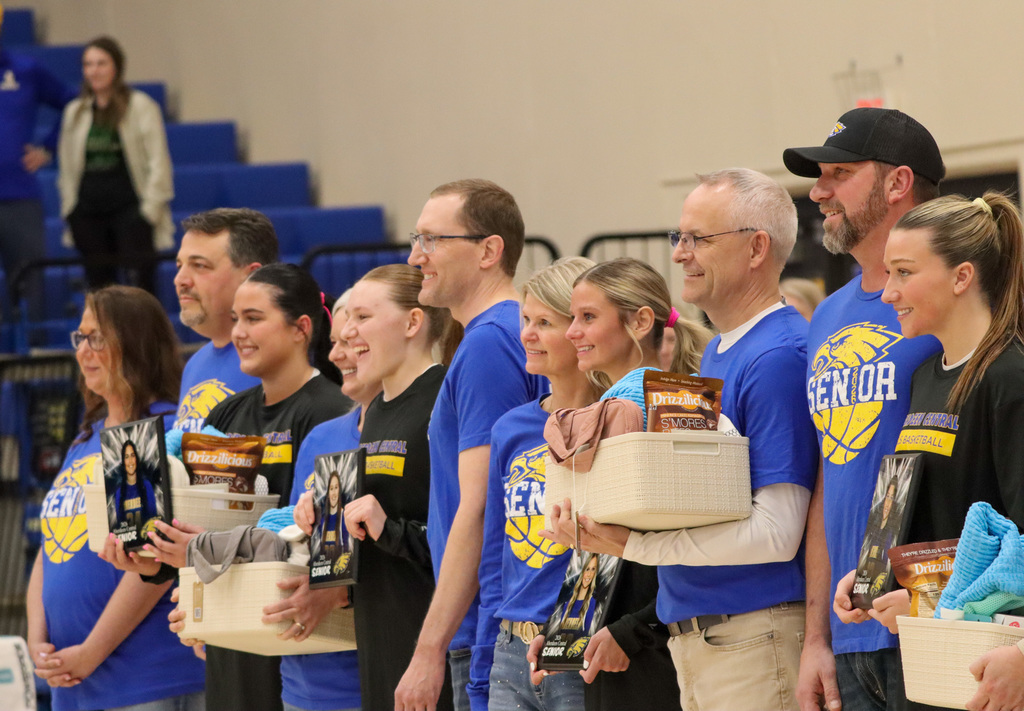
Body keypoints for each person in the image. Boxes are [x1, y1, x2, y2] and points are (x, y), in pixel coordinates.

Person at [554, 169, 818, 711]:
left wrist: (633, 543)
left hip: (753, 634)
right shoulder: (725, 351)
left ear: (756, 248)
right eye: (679, 237)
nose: (679, 254)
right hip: (706, 637)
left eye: (698, 238)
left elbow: (776, 534)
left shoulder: (777, 356)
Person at [831, 193, 1024, 711]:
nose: (889, 292)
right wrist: (877, 578)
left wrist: (924, 603)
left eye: (904, 272)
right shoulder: (924, 377)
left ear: (962, 277)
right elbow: (935, 516)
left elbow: (1016, 542)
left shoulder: (1010, 376)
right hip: (930, 652)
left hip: (991, 661)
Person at [783, 107, 945, 711]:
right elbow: (833, 472)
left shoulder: (948, 300)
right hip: (849, 633)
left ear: (897, 182)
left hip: (928, 618)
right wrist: (816, 638)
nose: (818, 191)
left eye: (838, 173)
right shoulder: (826, 313)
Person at [537, 256, 710, 711]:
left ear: (640, 321)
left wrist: (634, 630)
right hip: (604, 644)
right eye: (572, 318)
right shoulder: (605, 412)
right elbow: (599, 557)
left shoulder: (679, 404)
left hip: (658, 651)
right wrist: (563, 632)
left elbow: (699, 542)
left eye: (588, 318)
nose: (572, 331)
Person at [400, 179, 547, 711]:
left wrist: (429, 647)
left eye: (433, 240)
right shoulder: (500, 335)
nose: (417, 256)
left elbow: (481, 503)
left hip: (488, 621)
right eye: (417, 239)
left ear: (489, 250)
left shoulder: (489, 343)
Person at [25, 285, 204, 711]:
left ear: (135, 344)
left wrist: (91, 651)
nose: (84, 350)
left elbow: (153, 562)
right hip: (76, 680)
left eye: (98, 339)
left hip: (145, 679)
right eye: (80, 338)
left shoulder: (160, 429)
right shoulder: (86, 437)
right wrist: (36, 637)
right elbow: (51, 546)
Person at [292, 263, 458, 710]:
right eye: (348, 320)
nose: (347, 332)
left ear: (412, 322)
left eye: (363, 317)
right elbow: (369, 535)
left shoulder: (443, 400)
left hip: (433, 646)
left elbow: (465, 540)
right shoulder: (378, 410)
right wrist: (326, 522)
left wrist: (389, 528)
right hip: (380, 641)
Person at [475, 256, 604, 711]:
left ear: (580, 330)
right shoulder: (510, 428)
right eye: (525, 320)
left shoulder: (618, 419)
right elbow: (495, 553)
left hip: (580, 644)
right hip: (510, 650)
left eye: (543, 322)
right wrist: (486, 650)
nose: (527, 334)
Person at [264, 291, 366, 711]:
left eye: (353, 343)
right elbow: (290, 546)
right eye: (336, 343)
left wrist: (341, 593)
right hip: (303, 678)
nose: (339, 355)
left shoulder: (420, 428)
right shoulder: (323, 436)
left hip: (369, 676)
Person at [57, 36, 173, 293]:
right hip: (88, 212)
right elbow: (66, 167)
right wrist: (70, 209)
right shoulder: (75, 111)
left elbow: (159, 162)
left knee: (140, 289)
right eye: (88, 64)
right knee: (100, 291)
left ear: (116, 67)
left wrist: (149, 212)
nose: (94, 71)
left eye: (101, 63)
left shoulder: (141, 106)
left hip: (131, 210)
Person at [0, 2, 77, 322]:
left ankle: (34, 367)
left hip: (20, 195)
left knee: (30, 283)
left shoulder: (26, 70)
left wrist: (48, 147)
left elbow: (73, 103)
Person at [172, 208, 279, 433]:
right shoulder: (195, 365)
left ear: (252, 277)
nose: (180, 280)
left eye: (199, 265)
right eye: (180, 266)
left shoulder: (278, 359)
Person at [111, 439, 157, 534]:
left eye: (132, 455)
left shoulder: (146, 486)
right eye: (126, 457)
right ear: (123, 461)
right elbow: (120, 525)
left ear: (136, 458)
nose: (130, 461)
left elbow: (153, 519)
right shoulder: (119, 492)